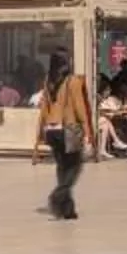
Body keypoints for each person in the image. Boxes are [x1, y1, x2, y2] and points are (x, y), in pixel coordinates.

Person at [32, 51, 96, 220]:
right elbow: (80, 108)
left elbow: (44, 108)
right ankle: (58, 195)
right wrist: (88, 132)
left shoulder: (48, 81)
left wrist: (40, 135)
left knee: (62, 167)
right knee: (75, 166)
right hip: (68, 128)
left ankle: (66, 210)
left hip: (51, 130)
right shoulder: (72, 81)